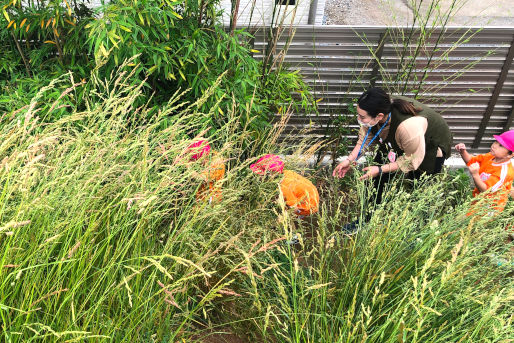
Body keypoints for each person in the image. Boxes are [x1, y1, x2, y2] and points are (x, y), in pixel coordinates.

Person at [332, 87, 452, 229]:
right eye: (358, 115)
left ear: (380, 116)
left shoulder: (408, 127)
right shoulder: (375, 115)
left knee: (419, 188)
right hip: (398, 140)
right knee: (374, 181)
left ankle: (417, 231)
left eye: (362, 117)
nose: (359, 119)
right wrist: (349, 160)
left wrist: (381, 169)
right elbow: (364, 140)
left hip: (430, 144)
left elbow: (411, 160)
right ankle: (367, 221)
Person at [455, 130, 514, 215]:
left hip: (489, 207)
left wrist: (475, 175)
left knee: (464, 224)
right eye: (496, 142)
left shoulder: (504, 172)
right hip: (479, 200)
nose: (494, 146)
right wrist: (463, 152)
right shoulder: (490, 156)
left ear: (510, 155)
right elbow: (471, 161)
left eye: (501, 145)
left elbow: (486, 190)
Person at [250, 154, 319, 216]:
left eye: (261, 174)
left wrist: (284, 213)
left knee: (284, 209)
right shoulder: (285, 173)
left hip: (308, 206)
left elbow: (293, 208)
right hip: (309, 194)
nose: (258, 176)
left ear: (271, 175)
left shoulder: (284, 188)